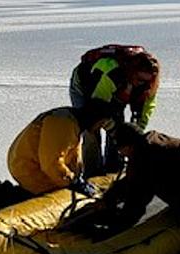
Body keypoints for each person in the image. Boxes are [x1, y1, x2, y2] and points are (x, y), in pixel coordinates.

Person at [63, 122, 180, 238]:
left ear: (127, 146)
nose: (120, 154)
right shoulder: (150, 143)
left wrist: (108, 229)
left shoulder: (146, 158)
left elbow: (134, 204)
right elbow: (131, 181)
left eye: (120, 149)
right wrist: (107, 200)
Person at [69, 45, 161, 174]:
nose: (143, 84)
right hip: (86, 89)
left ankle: (114, 168)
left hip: (120, 92)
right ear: (132, 72)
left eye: (147, 81)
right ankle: (92, 172)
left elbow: (147, 107)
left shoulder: (149, 83)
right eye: (140, 80)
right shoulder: (112, 73)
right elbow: (96, 110)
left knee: (120, 130)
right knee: (91, 130)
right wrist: (112, 128)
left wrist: (136, 132)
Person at [7, 100, 115, 196]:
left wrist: (77, 177)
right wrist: (72, 182)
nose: (101, 127)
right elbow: (51, 163)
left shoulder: (73, 123)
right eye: (102, 123)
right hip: (29, 170)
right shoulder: (63, 124)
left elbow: (72, 156)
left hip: (34, 166)